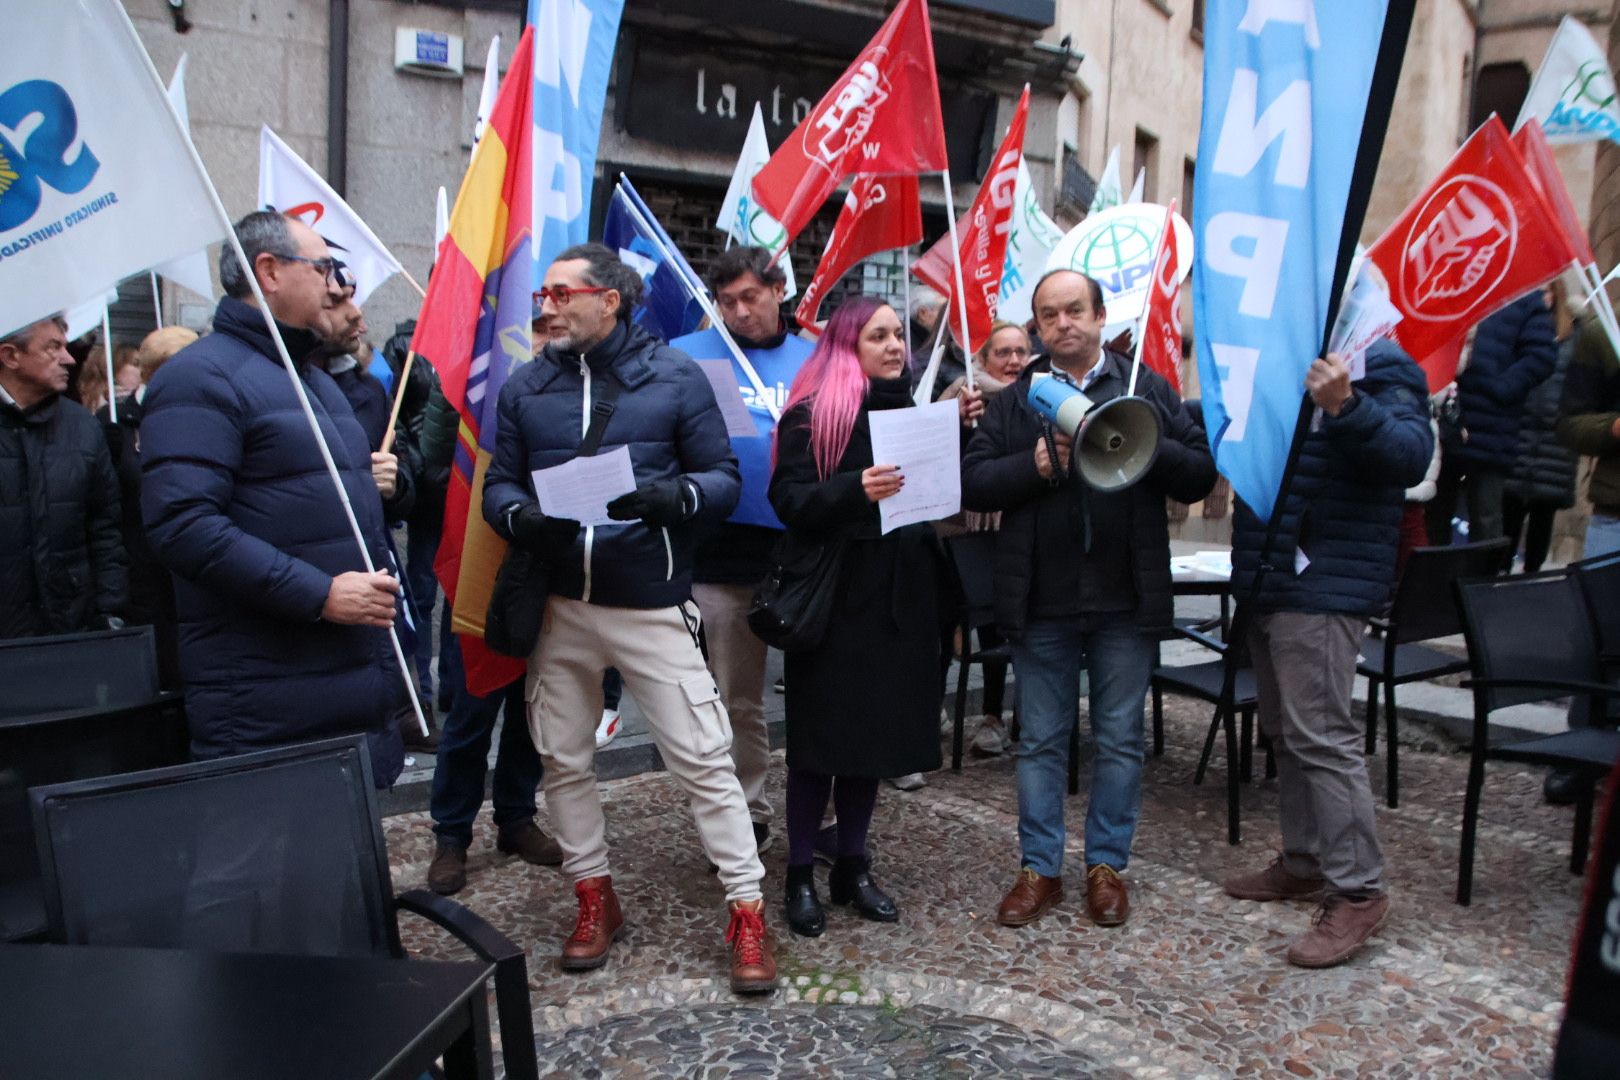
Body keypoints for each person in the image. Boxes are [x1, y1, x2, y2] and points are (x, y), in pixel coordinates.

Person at [482, 242, 774, 993]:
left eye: (560, 292)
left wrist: (675, 499)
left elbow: (722, 477)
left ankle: (747, 911)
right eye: (543, 293)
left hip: (649, 600)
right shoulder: (524, 385)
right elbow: (500, 485)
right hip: (559, 605)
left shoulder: (678, 375)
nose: (546, 305)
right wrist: (521, 518)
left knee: (706, 760)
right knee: (563, 758)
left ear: (609, 300)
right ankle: (593, 897)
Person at [961, 269, 1215, 931]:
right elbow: (977, 483)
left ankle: (1106, 867)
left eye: (1076, 310)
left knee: (1121, 740)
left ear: (1101, 317)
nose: (1063, 323)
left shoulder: (1146, 387)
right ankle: (1039, 868)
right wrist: (1038, 467)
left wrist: (1146, 440)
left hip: (1124, 598)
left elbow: (1196, 473)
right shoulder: (1019, 401)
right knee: (1042, 739)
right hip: (1041, 596)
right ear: (1039, 327)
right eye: (1049, 315)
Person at [141, 209, 408, 786]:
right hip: (263, 693)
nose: (336, 284)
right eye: (324, 267)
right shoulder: (201, 378)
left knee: (340, 868)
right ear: (268, 271)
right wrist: (320, 595)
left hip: (340, 681)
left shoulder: (315, 381)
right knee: (260, 869)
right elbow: (182, 525)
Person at [767, 295, 977, 938]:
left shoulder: (914, 412)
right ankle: (800, 871)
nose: (895, 346)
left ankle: (850, 864)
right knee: (819, 745)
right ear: (847, 347)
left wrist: (958, 431)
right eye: (878, 336)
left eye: (897, 336)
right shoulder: (812, 416)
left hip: (903, 596)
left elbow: (942, 493)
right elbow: (790, 500)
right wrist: (853, 488)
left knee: (874, 741)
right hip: (836, 602)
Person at [1224, 342, 1432, 969]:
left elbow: (1409, 457)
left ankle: (1359, 891)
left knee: (1322, 736)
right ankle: (1304, 861)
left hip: (1326, 581)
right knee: (1287, 734)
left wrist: (1346, 404)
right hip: (1270, 571)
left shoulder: (1386, 362)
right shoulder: (1273, 346)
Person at [670, 245, 816, 853]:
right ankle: (743, 811)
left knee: (804, 692)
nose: (738, 311)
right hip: (721, 552)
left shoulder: (814, 357)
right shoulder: (690, 356)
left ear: (778, 290)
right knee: (728, 693)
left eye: (749, 298)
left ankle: (814, 807)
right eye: (726, 301)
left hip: (803, 549)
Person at [0, 314, 128, 638]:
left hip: (69, 630)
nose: (68, 358)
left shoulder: (84, 428)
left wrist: (109, 610)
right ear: (11, 356)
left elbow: (106, 529)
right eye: (53, 347)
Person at [937, 320, 1032, 756]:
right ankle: (928, 711)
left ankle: (994, 716)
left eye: (1021, 351)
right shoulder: (960, 393)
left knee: (998, 629)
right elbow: (932, 456)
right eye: (1003, 352)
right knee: (943, 626)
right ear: (982, 358)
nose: (1013, 361)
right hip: (956, 532)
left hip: (1009, 528)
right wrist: (955, 422)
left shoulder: (1040, 395)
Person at [1426, 292, 1556, 546]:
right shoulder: (1454, 287)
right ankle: (1431, 584)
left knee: (1485, 517)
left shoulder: (1525, 297)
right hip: (1447, 415)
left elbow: (1542, 355)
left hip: (1492, 424)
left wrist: (1502, 387)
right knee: (1434, 513)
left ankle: (1479, 584)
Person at [1502, 282, 1579, 574]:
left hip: (1554, 441)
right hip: (1519, 430)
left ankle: (1531, 575)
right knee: (1508, 511)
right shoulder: (1517, 328)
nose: (1543, 297)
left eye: (1548, 290)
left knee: (1542, 516)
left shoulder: (1574, 335)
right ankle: (1500, 572)